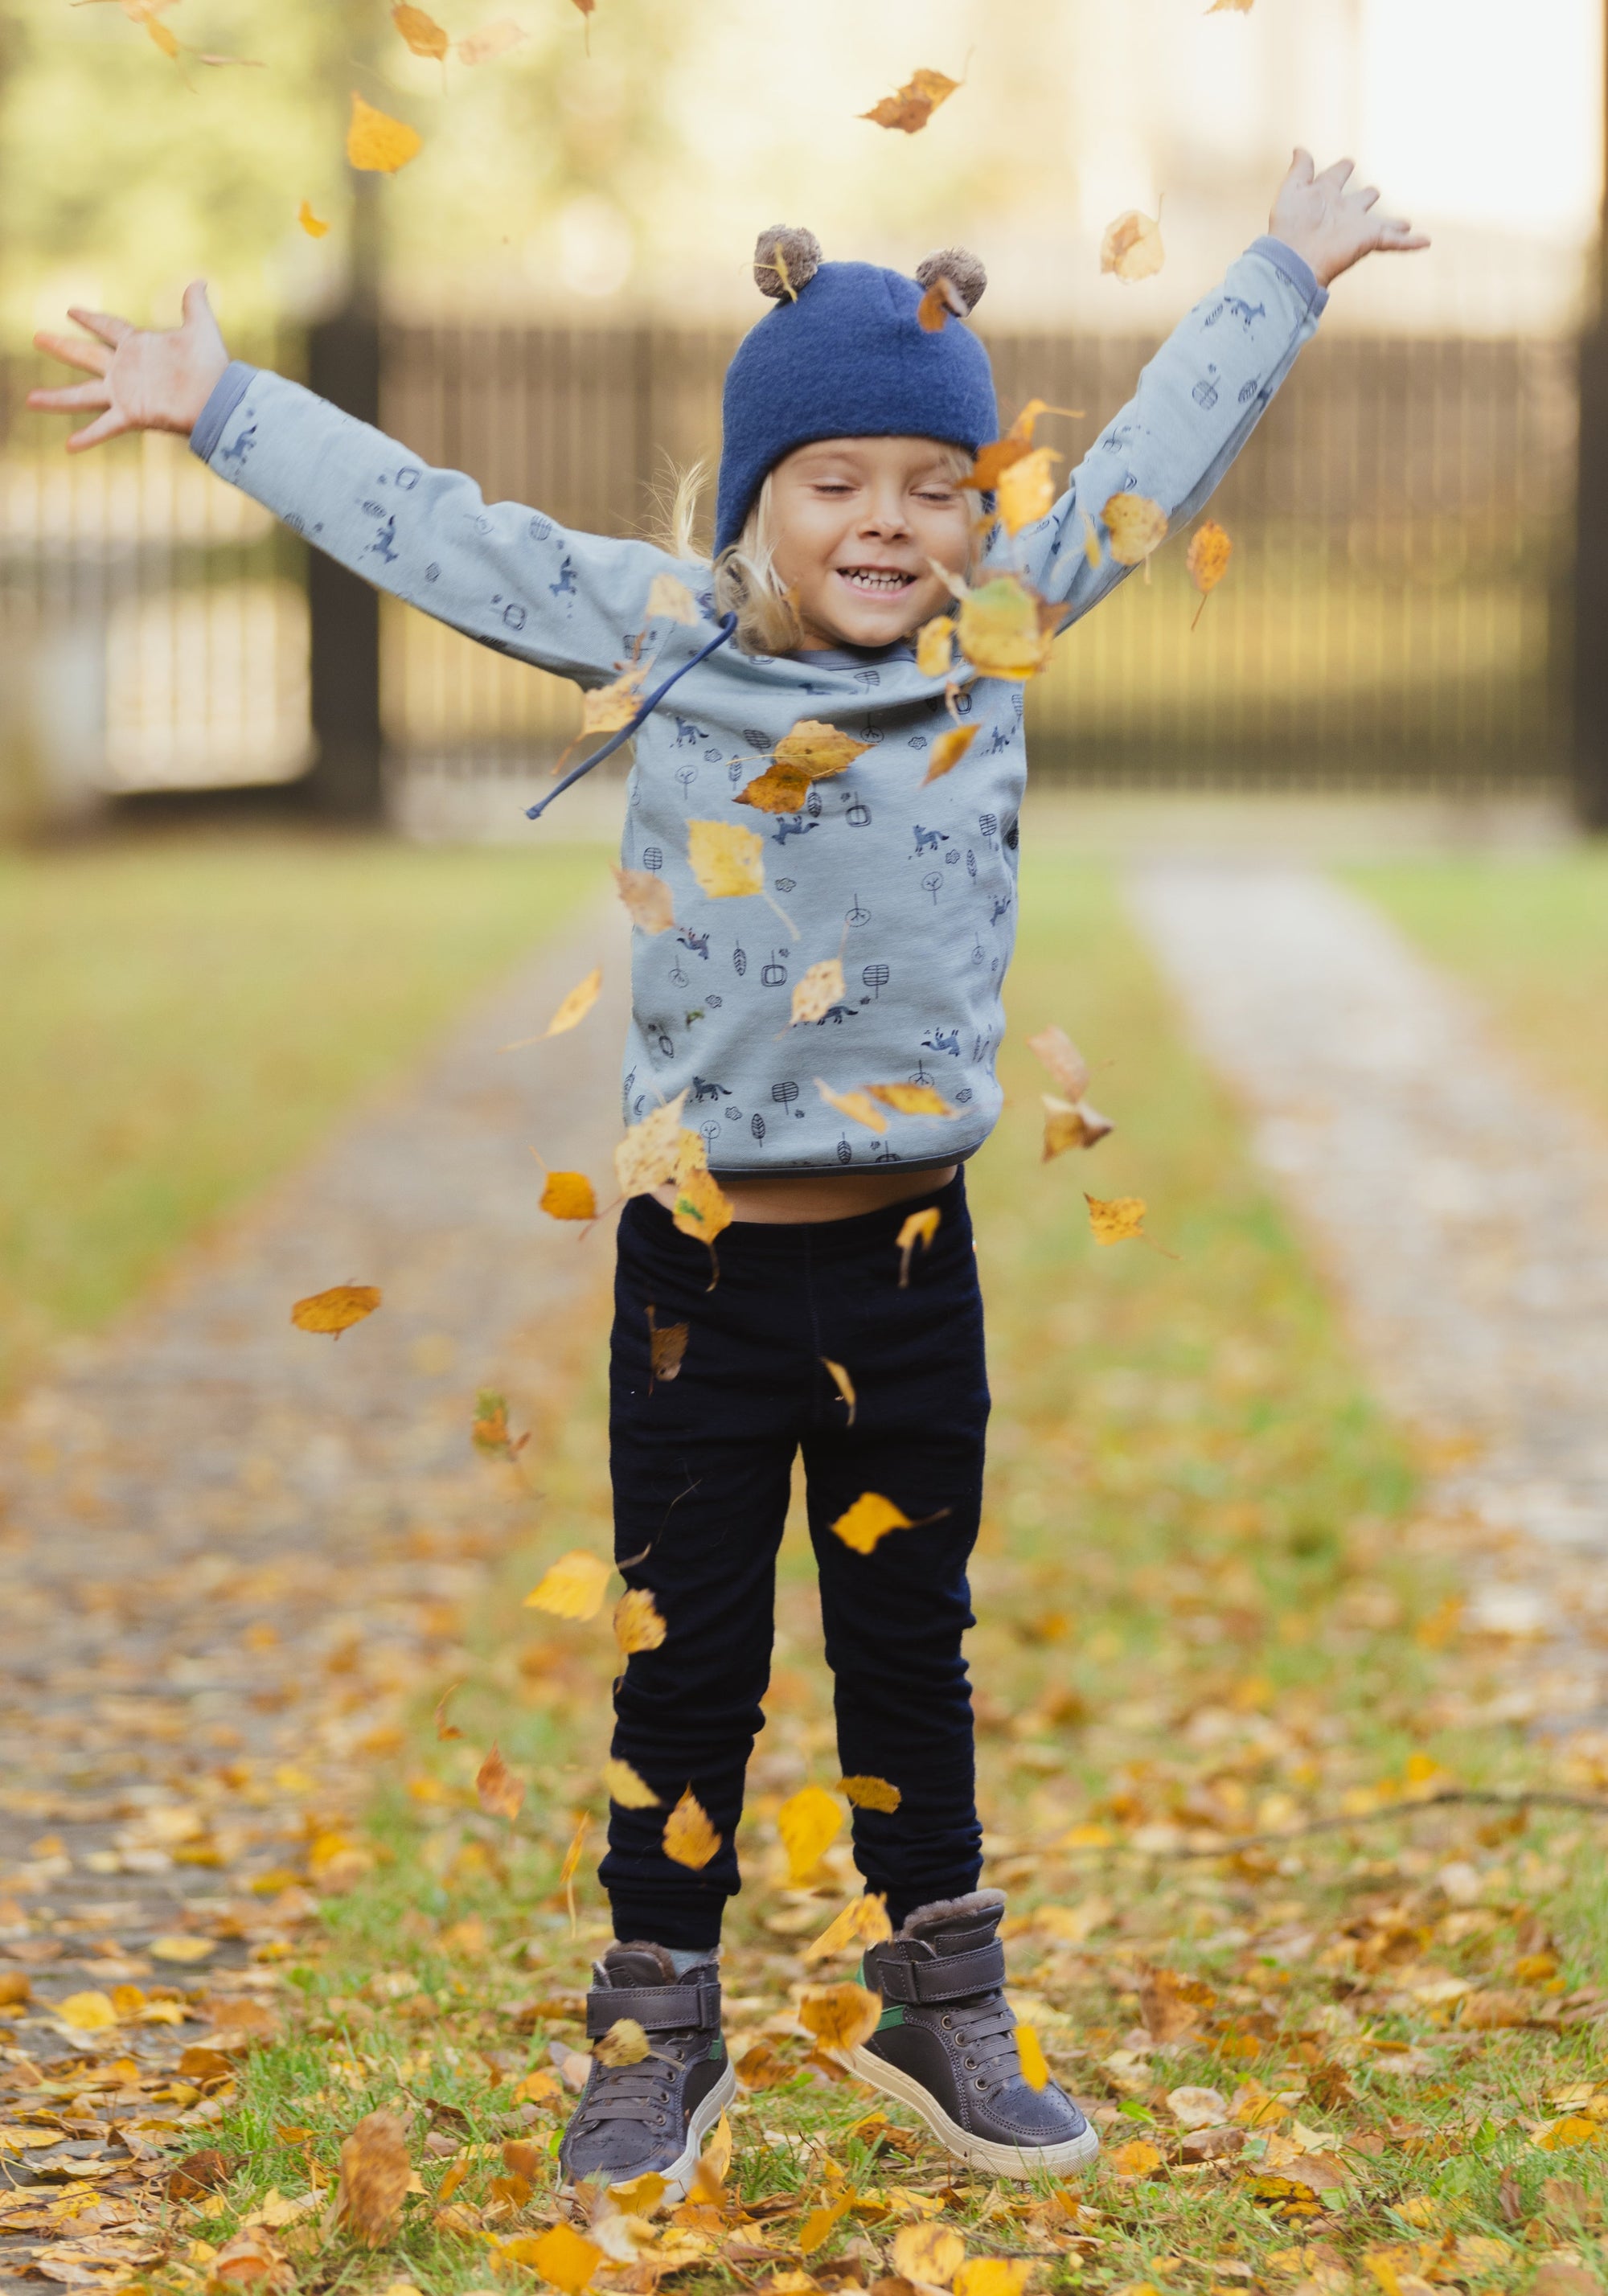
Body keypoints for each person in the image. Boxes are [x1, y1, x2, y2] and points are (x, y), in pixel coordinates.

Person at [31, 150, 1425, 2196]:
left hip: (906, 1273)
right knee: (683, 1660)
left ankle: (944, 2009)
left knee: (904, 1645)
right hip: (696, 1274)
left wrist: (1283, 269)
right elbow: (442, 533)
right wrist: (229, 407)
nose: (887, 520)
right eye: (835, 478)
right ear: (753, 496)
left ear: (979, 508)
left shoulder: (999, 640)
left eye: (931, 484)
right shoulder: (659, 632)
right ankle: (652, 2027)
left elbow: (1157, 451)